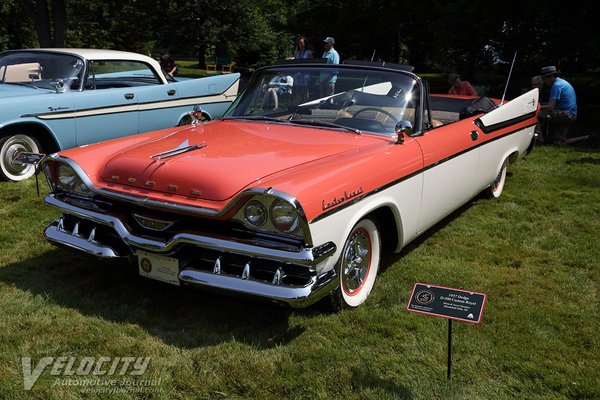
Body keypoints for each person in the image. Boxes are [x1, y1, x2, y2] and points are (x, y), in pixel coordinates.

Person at [538, 66, 577, 145]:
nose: (544, 81)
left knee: (535, 113)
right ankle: (586, 138)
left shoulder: (556, 86)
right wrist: (539, 104)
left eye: (544, 79)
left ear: (551, 77)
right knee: (558, 143)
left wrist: (536, 107)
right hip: (571, 114)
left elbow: (550, 107)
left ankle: (540, 140)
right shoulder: (561, 82)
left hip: (564, 114)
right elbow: (553, 104)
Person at [293, 36, 313, 103]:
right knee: (298, 89)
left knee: (305, 89)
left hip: (305, 74)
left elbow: (311, 63)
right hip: (298, 73)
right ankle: (299, 103)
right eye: (299, 42)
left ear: (305, 43)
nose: (300, 44)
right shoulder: (296, 52)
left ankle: (305, 103)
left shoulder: (308, 52)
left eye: (302, 42)